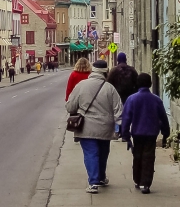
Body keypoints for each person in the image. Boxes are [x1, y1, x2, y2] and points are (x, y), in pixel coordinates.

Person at [66, 59, 123, 194]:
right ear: (105, 72)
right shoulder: (110, 88)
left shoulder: (81, 85)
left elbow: (70, 106)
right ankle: (101, 177)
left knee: (91, 153)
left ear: (93, 71)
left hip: (86, 126)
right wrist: (119, 126)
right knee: (103, 153)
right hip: (105, 127)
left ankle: (93, 183)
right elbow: (118, 109)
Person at [122, 73, 170, 194]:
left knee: (137, 155)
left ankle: (137, 179)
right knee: (148, 157)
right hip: (151, 133)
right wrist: (165, 133)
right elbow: (163, 118)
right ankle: (146, 183)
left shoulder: (132, 99)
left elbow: (126, 118)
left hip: (137, 133)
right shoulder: (156, 100)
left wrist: (125, 135)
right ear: (150, 84)